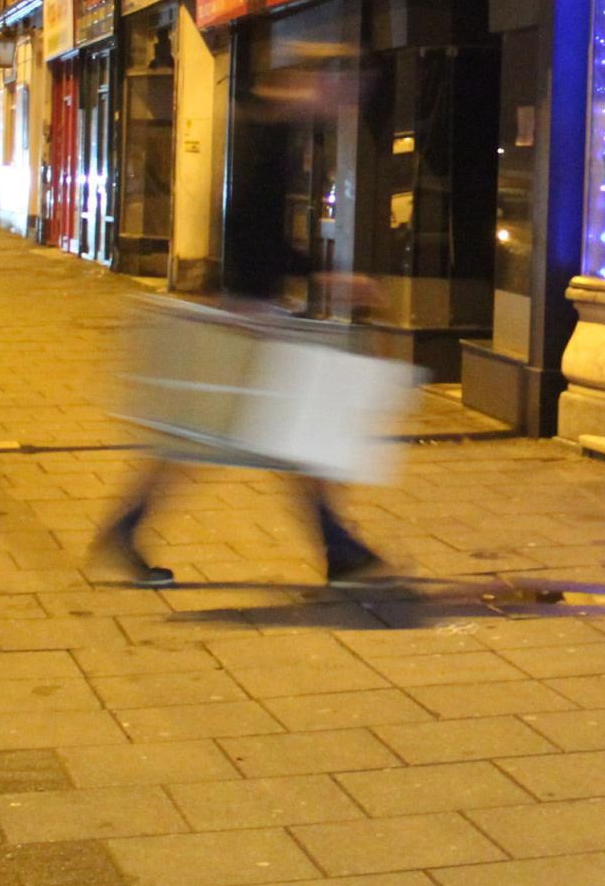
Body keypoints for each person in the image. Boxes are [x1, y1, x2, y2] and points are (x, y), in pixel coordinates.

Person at [92, 57, 385, 589]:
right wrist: (322, 278)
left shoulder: (269, 130)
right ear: (304, 83)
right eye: (334, 86)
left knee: (235, 432)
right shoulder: (269, 136)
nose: (339, 98)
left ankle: (339, 548)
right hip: (252, 311)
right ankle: (338, 548)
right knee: (230, 432)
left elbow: (250, 226)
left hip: (252, 306)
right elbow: (252, 225)